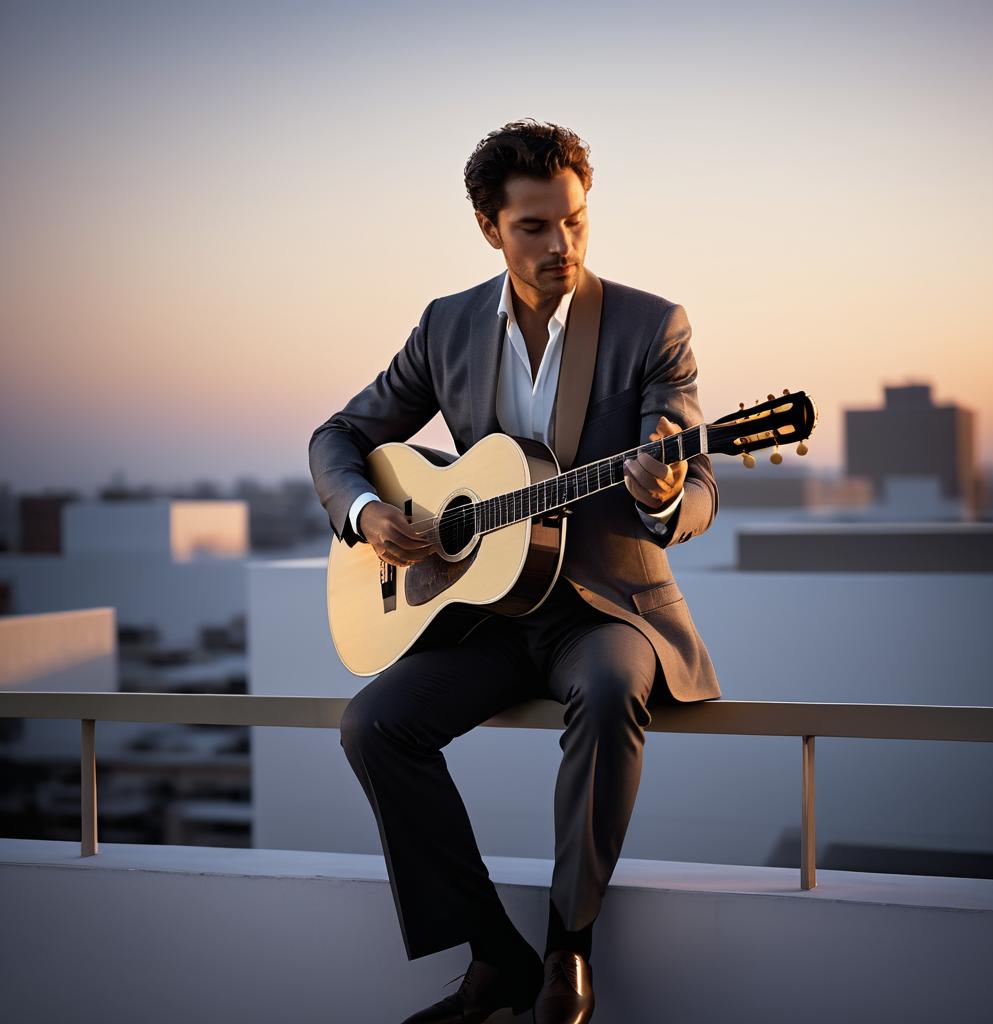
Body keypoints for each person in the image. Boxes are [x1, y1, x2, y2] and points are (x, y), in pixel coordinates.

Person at [308, 119, 720, 1024]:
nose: (560, 244)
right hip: (487, 614)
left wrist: (666, 487)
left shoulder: (653, 325)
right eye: (534, 227)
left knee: (612, 690)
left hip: (608, 611)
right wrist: (367, 512)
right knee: (375, 724)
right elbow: (337, 438)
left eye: (574, 221)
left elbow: (697, 496)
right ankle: (491, 952)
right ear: (492, 229)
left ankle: (567, 947)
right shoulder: (447, 326)